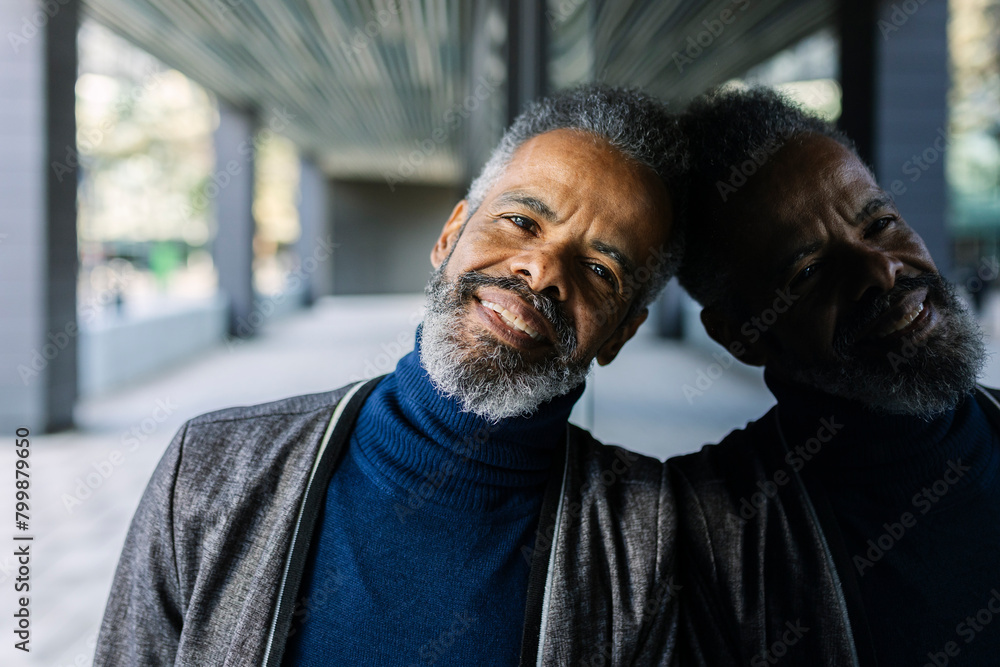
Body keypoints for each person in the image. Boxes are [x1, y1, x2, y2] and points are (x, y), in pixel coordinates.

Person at [94, 85, 686, 666]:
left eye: (598, 269)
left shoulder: (648, 539)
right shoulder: (208, 470)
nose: (541, 271)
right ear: (450, 235)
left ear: (622, 333)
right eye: (521, 222)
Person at [669, 85, 999, 666]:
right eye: (809, 271)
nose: (881, 269)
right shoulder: (715, 538)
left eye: (879, 223)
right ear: (742, 335)